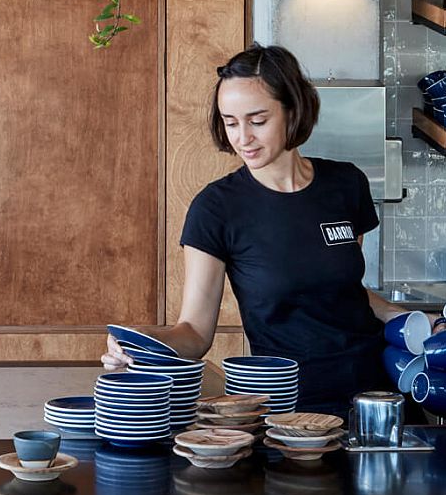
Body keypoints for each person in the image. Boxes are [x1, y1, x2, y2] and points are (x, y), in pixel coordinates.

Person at [104, 44, 403, 416]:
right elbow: (195, 333)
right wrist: (143, 343)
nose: (242, 137)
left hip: (378, 396)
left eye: (257, 121)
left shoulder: (346, 184)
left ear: (293, 111)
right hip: (289, 412)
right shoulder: (216, 209)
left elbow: (345, 289)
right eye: (231, 122)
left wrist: (412, 319)